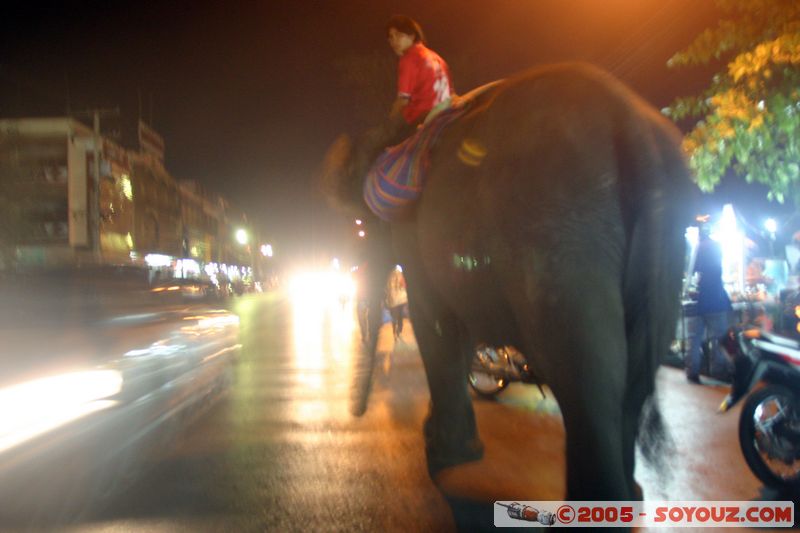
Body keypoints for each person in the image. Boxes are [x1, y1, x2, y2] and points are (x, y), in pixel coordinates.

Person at [353, 15, 455, 177]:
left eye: (399, 35)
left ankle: (360, 190)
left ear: (412, 36)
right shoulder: (437, 57)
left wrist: (391, 119)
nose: (394, 41)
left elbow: (402, 100)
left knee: (370, 142)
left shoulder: (409, 58)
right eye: (391, 38)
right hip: (446, 109)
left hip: (421, 114)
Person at [686, 225, 733, 384]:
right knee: (718, 340)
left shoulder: (698, 249)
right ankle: (718, 371)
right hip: (716, 303)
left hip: (700, 304)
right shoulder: (716, 248)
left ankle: (692, 371)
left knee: (694, 340)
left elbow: (693, 272)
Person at [384, 266, 408, 340]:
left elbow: (386, 289)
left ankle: (394, 332)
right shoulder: (400, 274)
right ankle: (399, 330)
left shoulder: (387, 275)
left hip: (392, 300)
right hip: (401, 299)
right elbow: (404, 285)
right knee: (400, 316)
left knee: (394, 317)